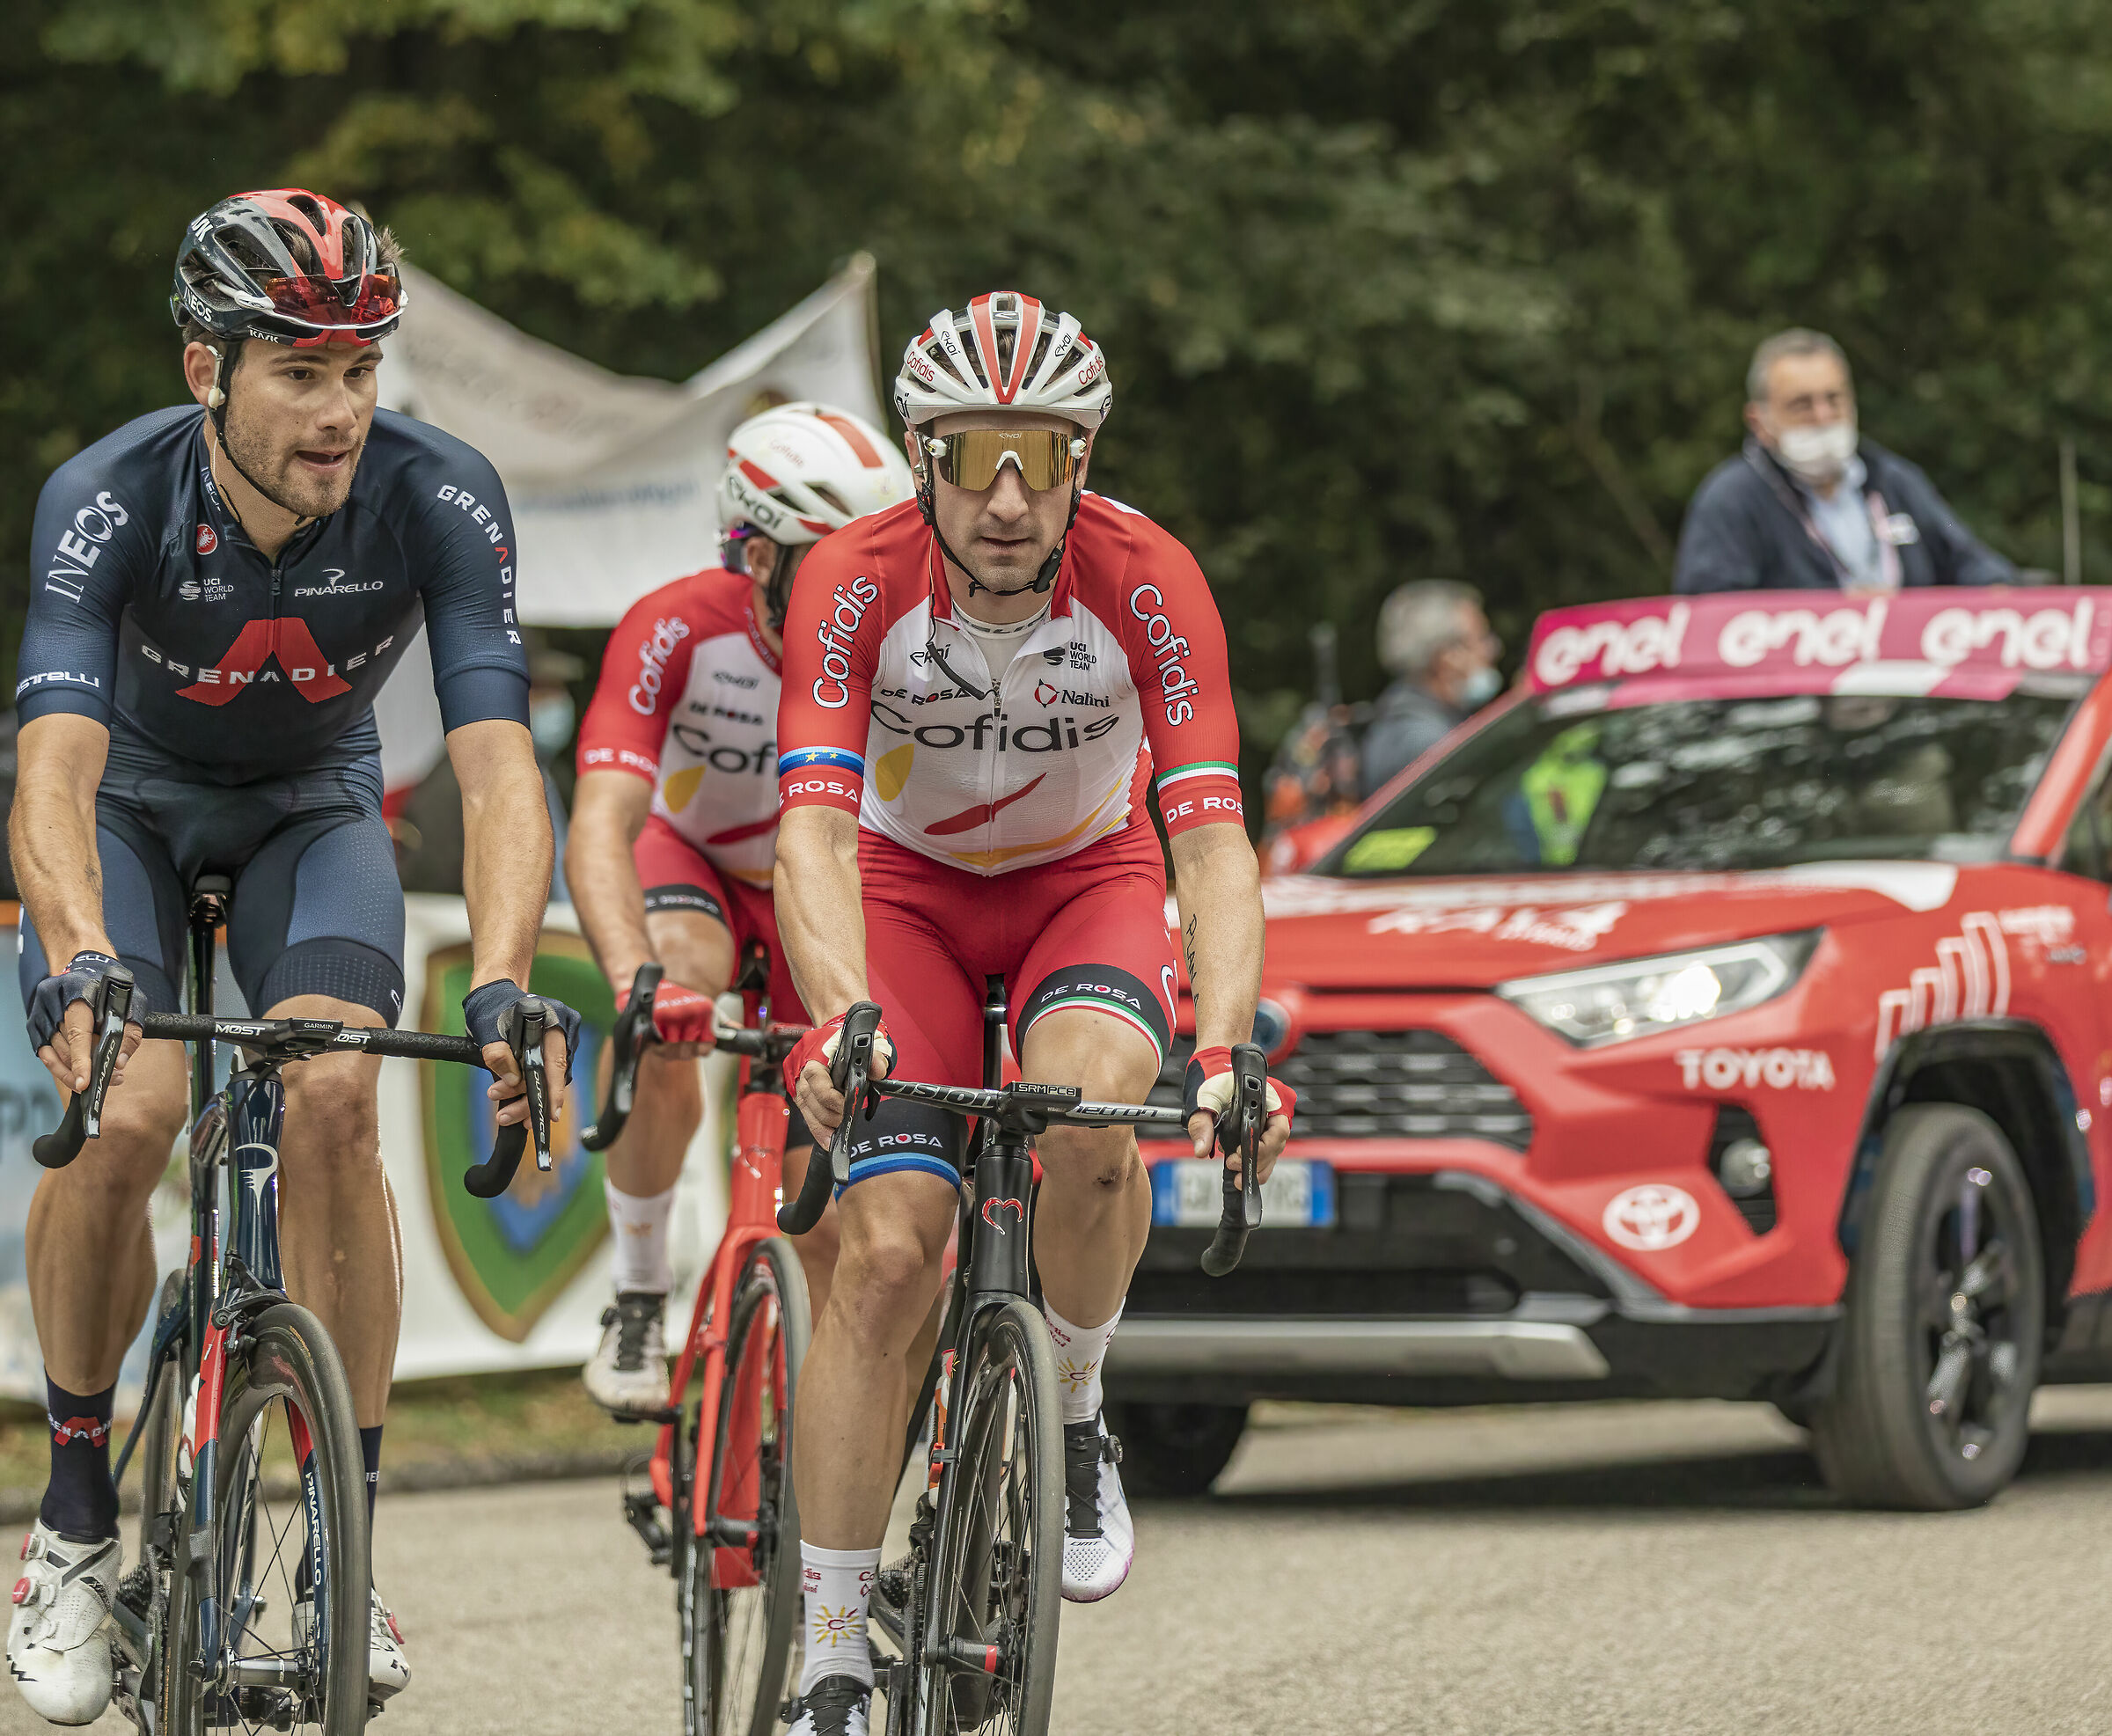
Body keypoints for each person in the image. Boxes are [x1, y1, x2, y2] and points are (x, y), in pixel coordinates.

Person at [4, 188, 578, 1725]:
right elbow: (51, 767)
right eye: (300, 371)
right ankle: (67, 1521)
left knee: (331, 1096)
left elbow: (500, 764)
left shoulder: (440, 495)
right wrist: (72, 952)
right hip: (126, 812)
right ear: (208, 370)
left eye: (363, 370)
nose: (341, 412)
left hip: (311, 814)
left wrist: (511, 974)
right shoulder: (107, 495)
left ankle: (340, 1539)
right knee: (126, 1112)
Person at [770, 291, 1296, 1736]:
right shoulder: (851, 575)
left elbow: (1210, 843)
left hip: (1088, 879)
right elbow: (808, 833)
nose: (1007, 494)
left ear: (1083, 459)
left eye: (1043, 454)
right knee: (881, 1260)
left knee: (1095, 1116)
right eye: (972, 454)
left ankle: (1073, 1394)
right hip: (910, 894)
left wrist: (1235, 1045)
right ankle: (829, 1640)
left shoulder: (1146, 575)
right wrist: (840, 1013)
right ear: (922, 456)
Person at [567, 402, 913, 1415]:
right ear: (756, 553)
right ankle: (638, 1291)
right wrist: (635, 976)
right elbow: (600, 823)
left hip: (827, 883)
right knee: (677, 984)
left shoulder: (895, 642)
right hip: (698, 860)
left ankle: (803, 1466)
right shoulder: (676, 622)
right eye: (828, 556)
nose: (866, 580)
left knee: (828, 1232)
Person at [1675, 327, 2019, 594]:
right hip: (1802, 685)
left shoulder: (1894, 479)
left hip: (1914, 681)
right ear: (1758, 423)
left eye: (1834, 399)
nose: (1824, 416)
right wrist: (1838, 616)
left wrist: (2000, 591)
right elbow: (1711, 614)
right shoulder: (1732, 500)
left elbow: (1972, 563)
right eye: (1802, 405)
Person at [1359, 580, 1502, 795]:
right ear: (1447, 658)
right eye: (1481, 639)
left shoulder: (1395, 722)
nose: (1494, 649)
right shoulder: (1431, 745)